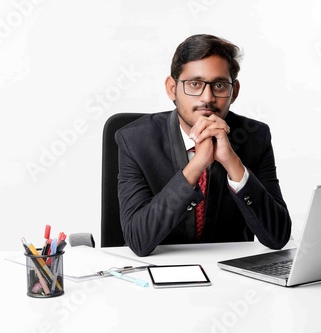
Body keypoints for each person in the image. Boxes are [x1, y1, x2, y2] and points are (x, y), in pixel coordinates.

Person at [115, 34, 291, 256]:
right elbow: (138, 240)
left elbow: (277, 237)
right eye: (195, 84)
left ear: (233, 92)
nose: (207, 97)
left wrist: (232, 163)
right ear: (172, 88)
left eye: (219, 85)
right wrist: (196, 165)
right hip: (157, 271)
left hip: (230, 273)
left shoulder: (256, 137)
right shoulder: (134, 140)